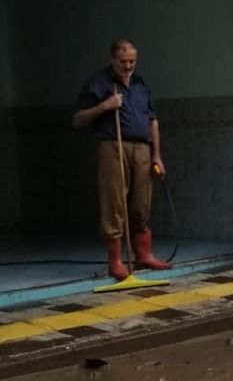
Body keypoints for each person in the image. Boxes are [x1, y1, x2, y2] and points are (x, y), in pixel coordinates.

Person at [73, 38, 170, 280]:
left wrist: (157, 154)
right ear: (112, 60)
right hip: (112, 146)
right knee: (114, 203)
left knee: (142, 202)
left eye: (132, 61)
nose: (128, 66)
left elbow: (153, 121)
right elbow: (78, 119)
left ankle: (144, 255)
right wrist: (105, 106)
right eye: (123, 62)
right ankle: (115, 262)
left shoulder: (141, 84)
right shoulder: (99, 83)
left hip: (142, 149)